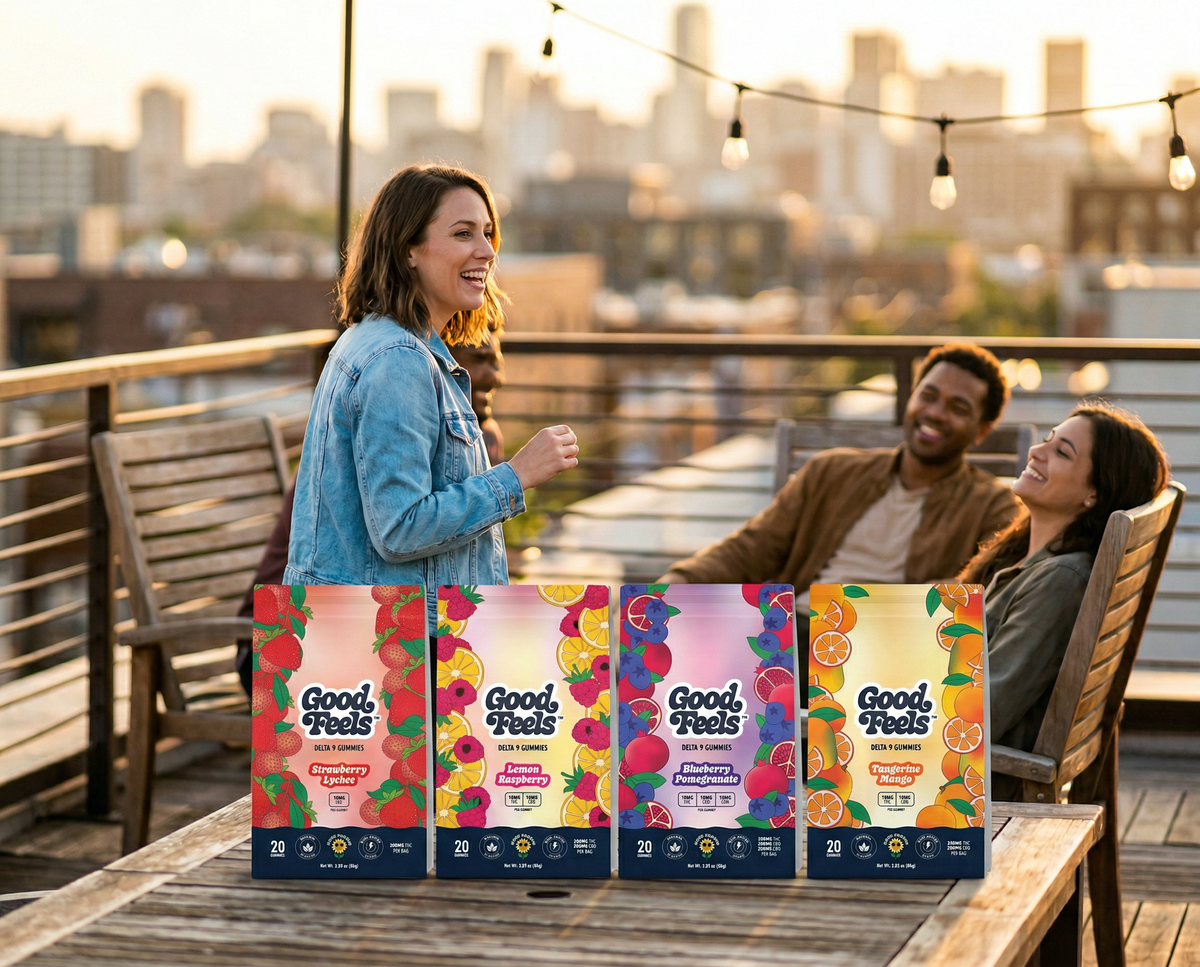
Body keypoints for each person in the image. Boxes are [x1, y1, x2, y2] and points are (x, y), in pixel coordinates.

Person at [282, 164, 577, 594]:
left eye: (487, 233)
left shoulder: (388, 343)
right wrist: (516, 475)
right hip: (399, 645)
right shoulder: (397, 360)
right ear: (408, 249)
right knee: (636, 640)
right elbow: (400, 529)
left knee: (625, 637)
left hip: (397, 634)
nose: (487, 251)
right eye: (463, 233)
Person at [234, 324, 510, 695]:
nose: (497, 376)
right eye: (476, 360)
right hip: (290, 640)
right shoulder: (390, 380)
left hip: (370, 625)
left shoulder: (471, 438)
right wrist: (515, 479)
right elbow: (400, 533)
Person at [660, 344, 1020, 603]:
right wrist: (680, 580)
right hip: (795, 635)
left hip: (886, 659)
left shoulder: (992, 505)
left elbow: (984, 586)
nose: (936, 413)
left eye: (958, 407)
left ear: (981, 431)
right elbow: (753, 547)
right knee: (645, 668)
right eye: (929, 396)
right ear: (911, 399)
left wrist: (867, 611)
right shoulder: (831, 472)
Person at [957, 403, 1169, 799]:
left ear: (1094, 493)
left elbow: (984, 712)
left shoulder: (1060, 580)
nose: (1037, 452)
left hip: (964, 786)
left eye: (1062, 453)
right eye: (1047, 441)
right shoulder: (1021, 556)